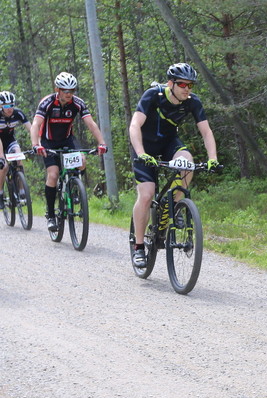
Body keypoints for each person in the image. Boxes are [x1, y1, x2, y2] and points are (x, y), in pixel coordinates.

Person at [129, 62, 218, 268]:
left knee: (188, 164)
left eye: (190, 85)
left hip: (169, 144)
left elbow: (206, 132)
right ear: (171, 83)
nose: (187, 89)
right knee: (146, 195)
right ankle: (139, 247)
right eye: (182, 84)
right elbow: (134, 125)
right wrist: (141, 153)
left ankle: (175, 207)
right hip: (144, 146)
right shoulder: (154, 95)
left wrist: (212, 158)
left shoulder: (192, 102)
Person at [31, 73, 107, 232]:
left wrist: (101, 143)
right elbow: (36, 124)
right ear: (57, 89)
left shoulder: (78, 103)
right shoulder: (47, 102)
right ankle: (51, 215)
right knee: (53, 175)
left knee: (82, 162)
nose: (69, 94)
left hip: (67, 140)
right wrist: (36, 145)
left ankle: (74, 187)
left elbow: (91, 124)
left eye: (72, 90)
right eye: (65, 90)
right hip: (48, 141)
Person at [0, 90, 32, 208]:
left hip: (10, 141)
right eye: (6, 106)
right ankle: (0, 193)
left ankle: (22, 191)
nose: (9, 108)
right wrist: (2, 156)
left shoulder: (18, 113)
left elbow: (31, 129)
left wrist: (37, 144)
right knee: (4, 167)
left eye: (11, 105)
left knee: (19, 159)